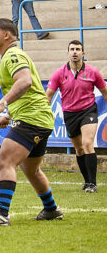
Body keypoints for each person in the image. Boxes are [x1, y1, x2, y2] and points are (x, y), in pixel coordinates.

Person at [0, 18, 62, 226]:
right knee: (31, 169)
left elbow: (25, 82)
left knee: (5, 160)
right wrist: (9, 115)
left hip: (32, 118)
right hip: (38, 117)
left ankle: (2, 213)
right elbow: (28, 91)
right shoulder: (12, 55)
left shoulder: (13, 54)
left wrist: (3, 103)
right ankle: (51, 210)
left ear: (7, 35)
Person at [45, 40, 107, 192]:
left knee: (87, 144)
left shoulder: (93, 72)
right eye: (72, 49)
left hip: (88, 111)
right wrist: (44, 113)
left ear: (83, 53)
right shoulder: (59, 73)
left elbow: (105, 92)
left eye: (78, 49)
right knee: (79, 149)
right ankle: (87, 182)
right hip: (69, 114)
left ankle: (93, 183)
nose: (74, 52)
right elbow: (48, 96)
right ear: (68, 53)